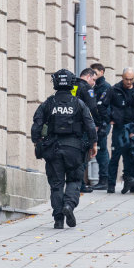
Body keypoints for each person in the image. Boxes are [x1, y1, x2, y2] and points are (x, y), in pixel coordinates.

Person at [31, 69, 97, 229]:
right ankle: (69, 205)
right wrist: (93, 144)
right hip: (74, 148)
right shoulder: (79, 104)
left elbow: (36, 126)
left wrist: (37, 141)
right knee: (74, 180)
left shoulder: (48, 103)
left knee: (56, 184)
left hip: (53, 148)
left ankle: (58, 219)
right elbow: (90, 125)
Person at [109, 68, 134, 194]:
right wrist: (110, 118)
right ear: (122, 77)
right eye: (126, 79)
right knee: (115, 156)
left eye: (131, 79)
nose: (129, 82)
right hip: (119, 127)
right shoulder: (114, 89)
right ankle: (111, 185)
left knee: (131, 155)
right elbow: (103, 105)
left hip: (132, 127)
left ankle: (132, 183)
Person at [75, 68, 99, 193]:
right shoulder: (87, 88)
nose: (94, 83)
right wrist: (97, 123)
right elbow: (92, 108)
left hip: (68, 126)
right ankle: (80, 184)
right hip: (83, 127)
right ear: (88, 76)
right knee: (83, 156)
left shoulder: (71, 85)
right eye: (93, 79)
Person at [90, 63, 112, 190]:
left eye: (95, 72)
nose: (93, 75)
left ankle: (104, 179)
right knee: (98, 151)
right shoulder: (95, 86)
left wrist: (103, 123)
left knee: (101, 150)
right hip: (96, 123)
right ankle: (103, 178)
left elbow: (103, 107)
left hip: (102, 123)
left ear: (102, 72)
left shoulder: (105, 87)